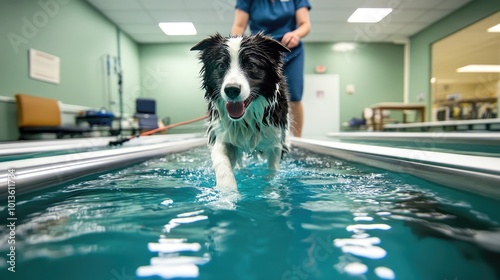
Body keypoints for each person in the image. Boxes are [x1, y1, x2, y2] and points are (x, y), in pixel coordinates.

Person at [231, 0, 311, 137]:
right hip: (260, 54)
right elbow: (238, 26)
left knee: (294, 96)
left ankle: (298, 140)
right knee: (253, 94)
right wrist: (236, 49)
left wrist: (296, 34)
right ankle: (254, 135)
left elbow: (305, 25)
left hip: (290, 50)